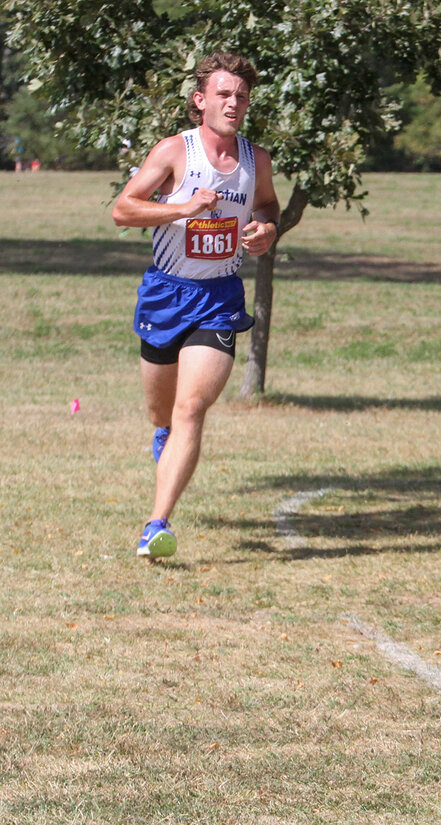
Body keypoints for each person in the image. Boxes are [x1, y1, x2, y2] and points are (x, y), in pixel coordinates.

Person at [112, 52, 279, 559]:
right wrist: (183, 207)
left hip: (220, 298)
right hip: (165, 294)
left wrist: (266, 229)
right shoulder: (173, 152)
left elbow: (268, 204)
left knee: (191, 408)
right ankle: (163, 440)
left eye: (241, 97)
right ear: (199, 100)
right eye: (224, 94)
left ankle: (156, 524)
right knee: (162, 413)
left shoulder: (257, 160)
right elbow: (123, 210)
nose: (233, 103)